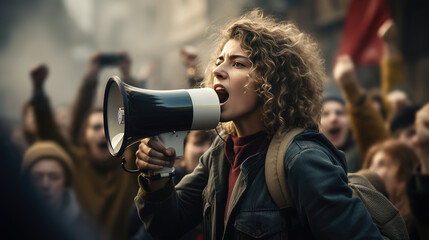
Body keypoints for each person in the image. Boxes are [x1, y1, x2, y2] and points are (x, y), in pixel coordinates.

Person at [134, 10, 382, 239]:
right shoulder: (220, 155)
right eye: (219, 60)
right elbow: (166, 226)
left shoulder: (301, 159)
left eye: (238, 63)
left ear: (272, 81)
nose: (218, 70)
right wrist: (157, 174)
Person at [29, 53, 139, 240]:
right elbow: (50, 134)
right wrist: (38, 91)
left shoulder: (130, 162)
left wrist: (128, 78)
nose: (103, 133)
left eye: (108, 127)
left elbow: (137, 116)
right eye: (95, 127)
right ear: (84, 137)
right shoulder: (76, 162)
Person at [21, 141, 100, 239]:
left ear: (66, 183)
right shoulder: (10, 224)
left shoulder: (84, 229)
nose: (45, 185)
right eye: (37, 177)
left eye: (54, 177)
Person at [362, 139, 419, 221]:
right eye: (370, 165)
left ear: (403, 174)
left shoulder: (416, 217)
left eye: (381, 164)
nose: (370, 170)